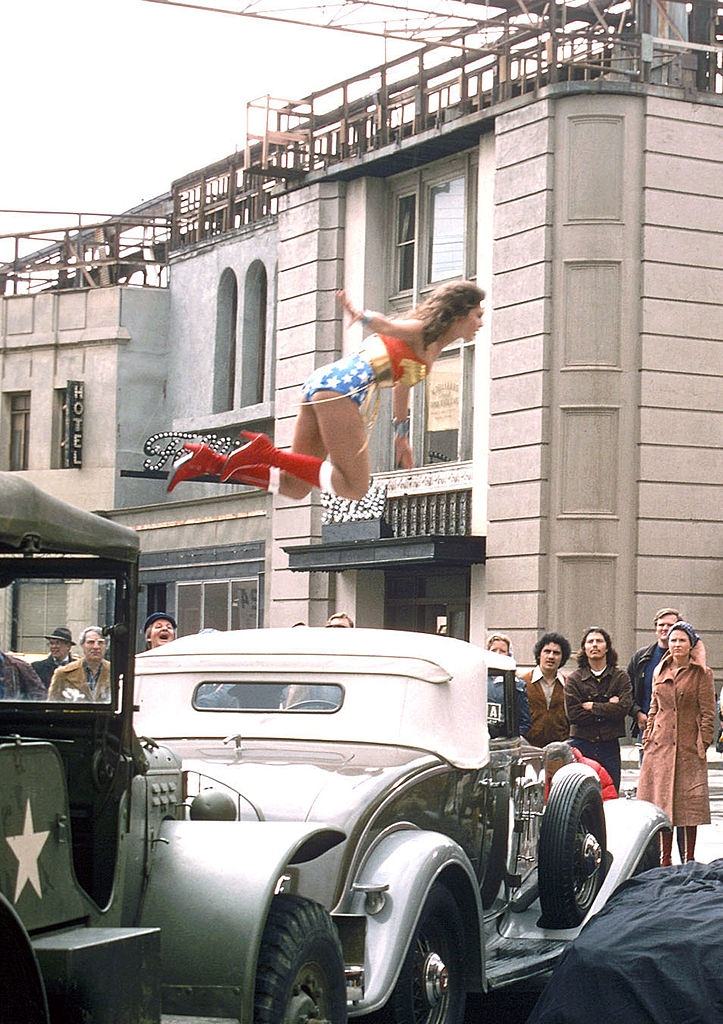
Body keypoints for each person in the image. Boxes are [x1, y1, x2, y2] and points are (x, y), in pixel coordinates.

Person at [167, 281, 485, 500]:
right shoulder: (420, 332)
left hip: (323, 385)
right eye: (478, 315)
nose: (480, 323)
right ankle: (266, 452)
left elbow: (403, 386)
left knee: (295, 487)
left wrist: (401, 434)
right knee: (356, 487)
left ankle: (211, 462)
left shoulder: (429, 346)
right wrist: (360, 314)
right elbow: (386, 326)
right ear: (459, 314)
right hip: (343, 392)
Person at [637, 622, 716, 866]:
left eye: (682, 640)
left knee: (689, 805)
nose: (677, 644)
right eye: (673, 640)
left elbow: (708, 712)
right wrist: (648, 737)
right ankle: (665, 858)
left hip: (688, 748)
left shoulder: (702, 673)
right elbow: (654, 707)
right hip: (659, 748)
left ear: (691, 644)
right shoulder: (660, 669)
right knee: (661, 803)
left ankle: (690, 857)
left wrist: (702, 742)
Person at [564, 627, 632, 792]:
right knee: (580, 792)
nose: (594, 645)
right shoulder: (574, 679)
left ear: (607, 647)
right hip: (581, 744)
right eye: (590, 642)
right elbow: (573, 715)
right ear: (584, 648)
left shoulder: (620, 677)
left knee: (610, 792)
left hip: (609, 745)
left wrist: (592, 706)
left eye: (599, 641)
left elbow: (624, 708)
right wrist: (609, 707)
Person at [627, 607, 680, 743]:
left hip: (677, 729)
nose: (665, 628)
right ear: (655, 628)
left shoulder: (686, 658)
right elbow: (627, 691)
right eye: (661, 625)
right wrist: (637, 713)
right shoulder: (641, 658)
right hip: (646, 727)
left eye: (670, 625)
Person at [520, 632, 571, 748]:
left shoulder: (568, 685)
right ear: (539, 655)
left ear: (563, 657)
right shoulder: (522, 682)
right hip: (529, 748)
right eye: (547, 651)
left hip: (559, 749)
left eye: (556, 653)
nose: (551, 656)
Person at [486, 632, 531, 738]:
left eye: (502, 651)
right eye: (493, 650)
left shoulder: (517, 685)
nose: (497, 654)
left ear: (509, 655)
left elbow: (524, 722)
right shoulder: (477, 680)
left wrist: (510, 740)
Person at [48, 626, 111, 702]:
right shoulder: (63, 673)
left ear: (106, 646)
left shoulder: (116, 672)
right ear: (82, 645)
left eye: (100, 643)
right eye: (90, 642)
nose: (96, 647)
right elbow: (53, 707)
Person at [542, 741, 618, 802]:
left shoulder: (593, 771)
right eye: (550, 773)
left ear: (572, 764)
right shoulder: (541, 775)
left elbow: (609, 802)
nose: (554, 778)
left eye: (559, 774)